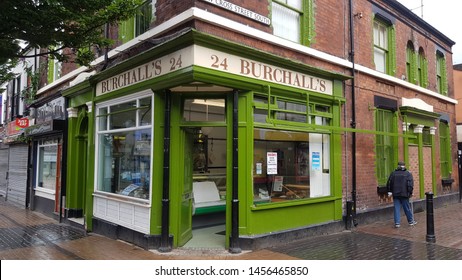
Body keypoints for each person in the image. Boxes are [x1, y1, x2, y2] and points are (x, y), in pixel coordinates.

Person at [386, 161, 417, 228]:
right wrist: (410, 192)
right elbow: (410, 185)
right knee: (407, 208)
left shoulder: (393, 173)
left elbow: (389, 183)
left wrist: (389, 191)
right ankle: (411, 221)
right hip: (404, 194)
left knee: (396, 208)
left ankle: (397, 223)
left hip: (395, 193)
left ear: (398, 166)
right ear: (404, 166)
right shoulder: (408, 174)